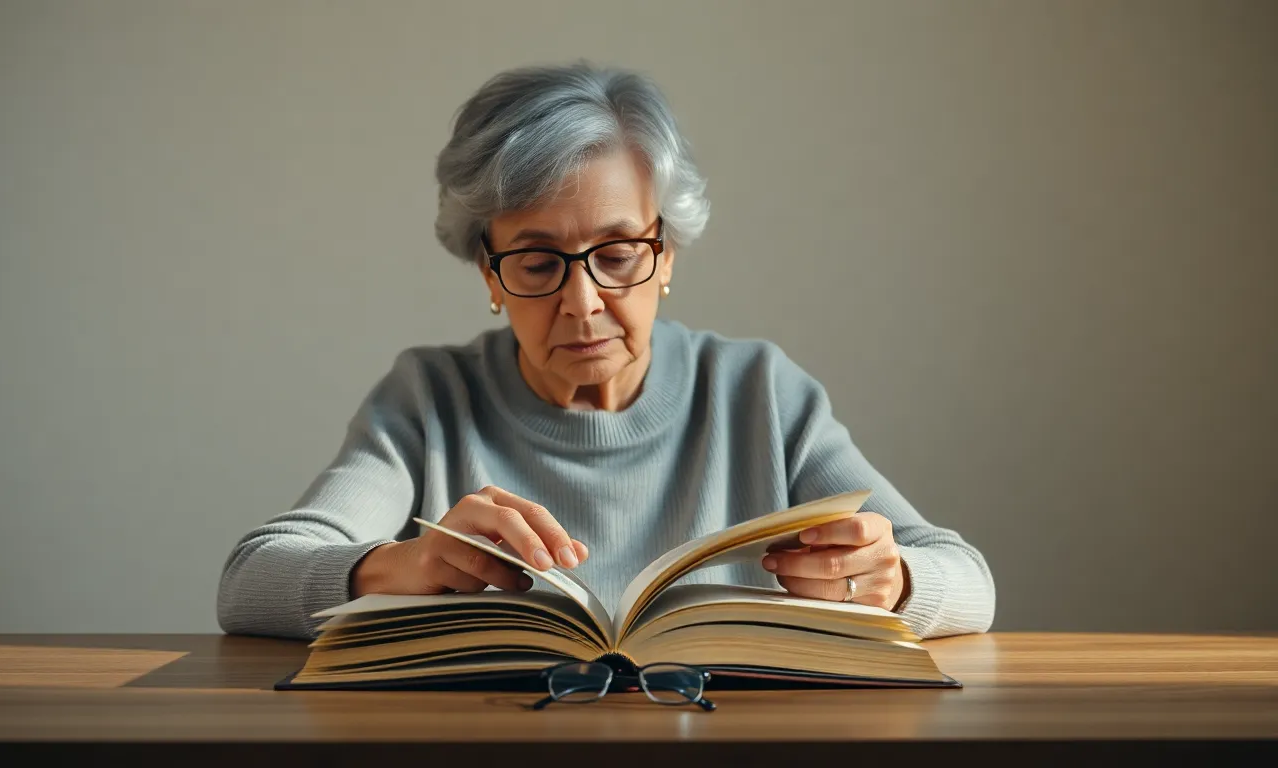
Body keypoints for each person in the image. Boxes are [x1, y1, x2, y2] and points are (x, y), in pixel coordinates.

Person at [217, 62, 995, 642]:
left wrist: (892, 582)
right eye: (537, 261)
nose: (582, 302)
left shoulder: (758, 392)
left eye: (618, 253)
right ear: (489, 272)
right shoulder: (429, 398)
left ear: (669, 253)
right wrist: (400, 567)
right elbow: (251, 579)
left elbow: (969, 582)